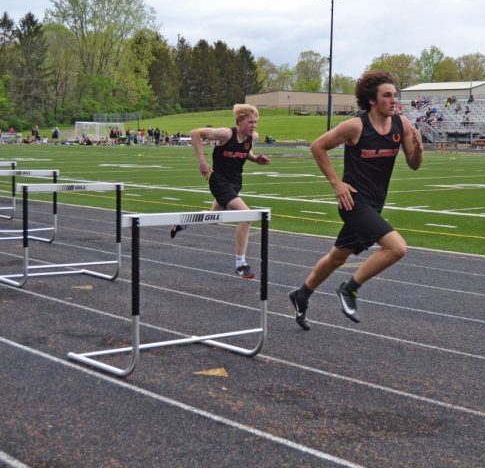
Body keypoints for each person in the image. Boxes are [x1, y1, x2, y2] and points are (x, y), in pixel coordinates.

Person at [287, 70, 423, 329]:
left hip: (375, 203)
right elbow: (318, 146)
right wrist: (336, 183)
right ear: (372, 100)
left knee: (338, 257)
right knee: (397, 248)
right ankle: (349, 289)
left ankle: (301, 294)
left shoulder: (401, 124)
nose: (393, 100)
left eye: (395, 95)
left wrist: (418, 150)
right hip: (353, 202)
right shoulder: (356, 126)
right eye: (387, 96)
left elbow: (414, 165)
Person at [170, 104, 271, 278]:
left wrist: (256, 159)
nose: (254, 125)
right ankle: (241, 264)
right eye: (250, 122)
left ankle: (184, 222)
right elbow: (195, 133)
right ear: (239, 121)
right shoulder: (226, 134)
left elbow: (246, 151)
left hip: (235, 182)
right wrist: (202, 161)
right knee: (246, 216)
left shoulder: (252, 137)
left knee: (213, 218)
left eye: (255, 122)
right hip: (219, 182)